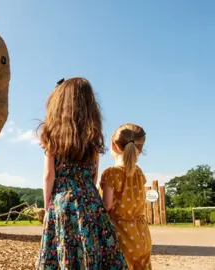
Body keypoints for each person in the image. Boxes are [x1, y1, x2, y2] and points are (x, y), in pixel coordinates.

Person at [35, 77, 128, 270]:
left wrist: (47, 208)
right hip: (90, 201)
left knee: (65, 250)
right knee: (94, 249)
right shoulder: (92, 137)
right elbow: (94, 175)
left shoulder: (52, 135)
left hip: (63, 202)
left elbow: (48, 175)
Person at [100, 123, 152, 270]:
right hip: (142, 234)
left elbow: (107, 205)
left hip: (121, 235)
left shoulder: (111, 173)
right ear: (140, 149)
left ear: (113, 144)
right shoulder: (139, 173)